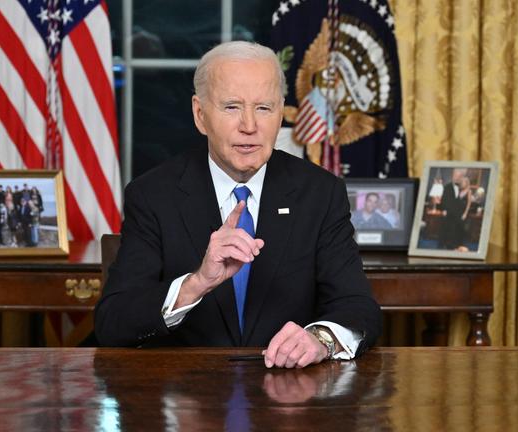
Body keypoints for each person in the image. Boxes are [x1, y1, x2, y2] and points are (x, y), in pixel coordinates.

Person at [95, 41, 381, 369]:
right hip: (185, 396)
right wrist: (197, 283)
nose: (249, 125)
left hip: (290, 400)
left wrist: (321, 340)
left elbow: (359, 308)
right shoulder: (153, 195)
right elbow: (112, 323)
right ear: (200, 115)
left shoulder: (320, 193)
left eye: (264, 108)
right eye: (232, 107)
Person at [438, 168, 468, 249]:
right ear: (452, 176)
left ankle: (457, 246)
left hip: (458, 215)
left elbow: (463, 203)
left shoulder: (462, 188)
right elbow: (444, 201)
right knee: (449, 231)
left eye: (459, 176)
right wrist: (444, 210)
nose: (457, 178)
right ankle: (446, 246)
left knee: (459, 231)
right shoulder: (447, 187)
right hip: (450, 214)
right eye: (456, 176)